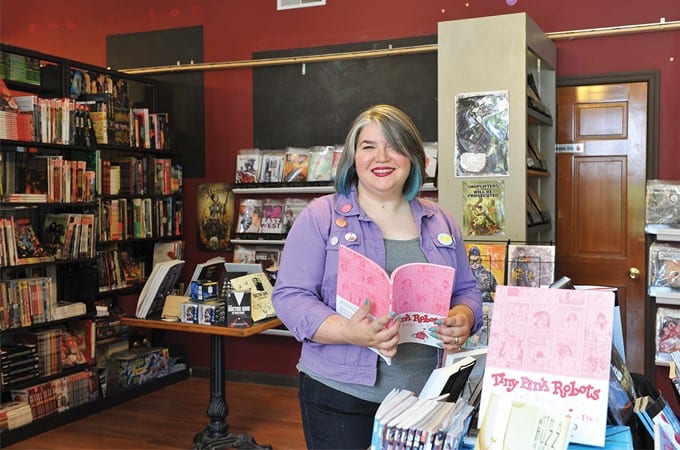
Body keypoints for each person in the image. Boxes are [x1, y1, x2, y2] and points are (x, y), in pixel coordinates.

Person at [271, 104, 483, 449]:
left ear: (413, 156)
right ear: (353, 157)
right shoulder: (320, 217)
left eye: (394, 146)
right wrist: (348, 331)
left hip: (426, 399)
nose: (381, 157)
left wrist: (464, 316)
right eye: (368, 146)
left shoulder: (440, 221)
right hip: (340, 396)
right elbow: (290, 297)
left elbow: (467, 291)